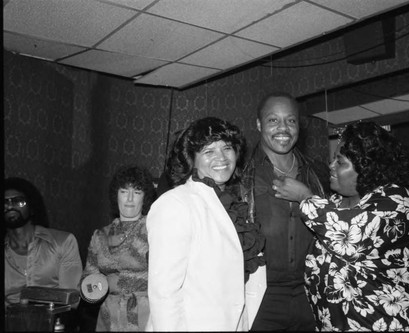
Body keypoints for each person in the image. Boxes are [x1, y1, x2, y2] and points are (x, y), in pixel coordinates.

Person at [273, 121, 409, 331]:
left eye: (340, 162)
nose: (331, 165)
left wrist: (304, 196)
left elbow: (348, 236)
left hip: (399, 324)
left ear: (367, 167)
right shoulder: (334, 203)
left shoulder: (396, 201)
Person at [146, 117, 266, 331]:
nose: (221, 157)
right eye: (208, 151)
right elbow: (164, 294)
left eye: (227, 148)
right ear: (192, 158)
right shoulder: (175, 203)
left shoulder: (233, 205)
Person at [240, 92, 330, 331]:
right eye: (273, 120)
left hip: (309, 294)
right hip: (260, 295)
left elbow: (335, 226)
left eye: (290, 120)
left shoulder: (318, 174)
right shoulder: (241, 176)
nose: (283, 128)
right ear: (259, 124)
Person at [80, 165, 157, 331]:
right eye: (124, 191)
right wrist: (88, 289)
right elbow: (88, 277)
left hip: (145, 316)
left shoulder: (154, 231)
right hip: (109, 317)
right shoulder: (100, 236)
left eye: (137, 192)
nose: (129, 199)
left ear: (145, 198)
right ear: (116, 195)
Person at [4, 177, 83, 306]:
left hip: (55, 321)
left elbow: (71, 300)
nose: (10, 207)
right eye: (5, 203)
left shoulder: (63, 242)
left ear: (32, 206)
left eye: (18, 202)